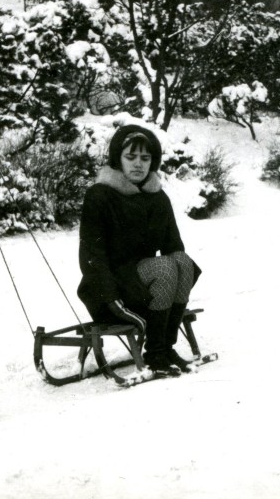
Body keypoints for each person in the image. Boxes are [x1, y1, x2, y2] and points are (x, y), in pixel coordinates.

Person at [77, 124, 202, 376]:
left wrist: (177, 272)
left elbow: (174, 247)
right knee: (166, 266)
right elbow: (92, 257)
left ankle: (163, 348)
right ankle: (156, 352)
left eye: (145, 158)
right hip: (107, 291)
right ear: (117, 160)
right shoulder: (100, 195)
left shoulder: (157, 197)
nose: (138, 164)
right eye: (130, 157)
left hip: (146, 287)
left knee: (182, 261)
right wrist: (112, 300)